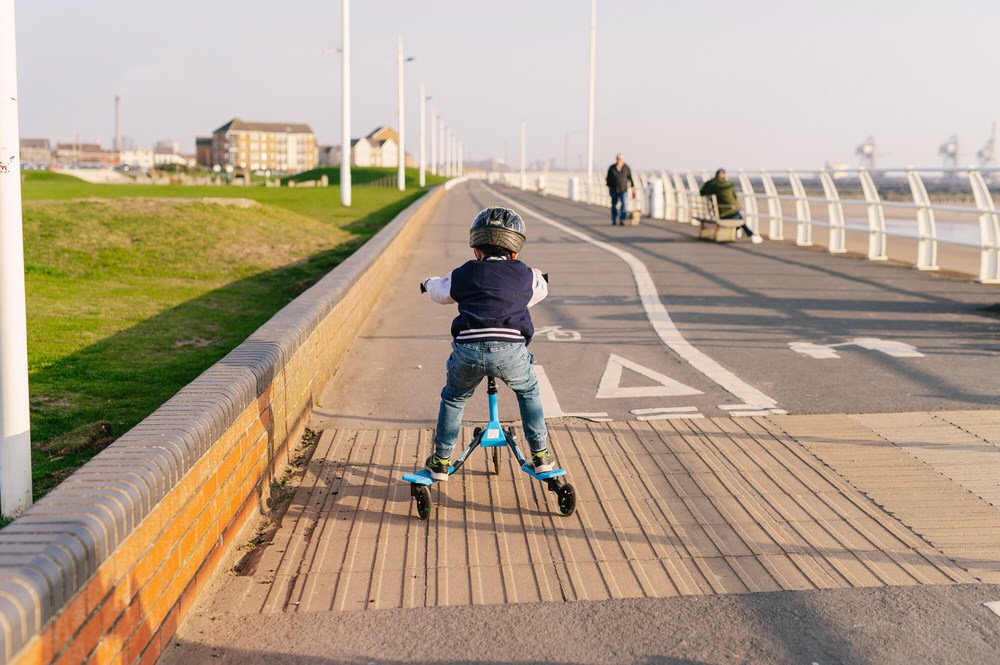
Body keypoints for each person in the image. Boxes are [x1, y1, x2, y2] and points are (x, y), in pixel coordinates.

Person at [421, 207, 554, 481]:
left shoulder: (463, 274)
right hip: (510, 352)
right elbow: (539, 290)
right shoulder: (524, 275)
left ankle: (442, 459)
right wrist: (536, 275)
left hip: (468, 351)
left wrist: (427, 282)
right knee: (528, 391)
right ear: (515, 252)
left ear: (476, 250)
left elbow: (440, 292)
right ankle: (540, 454)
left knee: (454, 398)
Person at [699, 168, 763, 244]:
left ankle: (748, 234)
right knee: (739, 219)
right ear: (723, 175)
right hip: (726, 212)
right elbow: (734, 197)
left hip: (719, 211)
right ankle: (750, 234)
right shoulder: (728, 184)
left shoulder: (710, 184)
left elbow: (702, 192)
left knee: (738, 218)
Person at [605, 153, 634, 225]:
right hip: (614, 189)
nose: (619, 160)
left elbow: (630, 177)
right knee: (614, 205)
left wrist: (633, 187)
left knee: (624, 204)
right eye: (618, 158)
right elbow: (608, 178)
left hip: (623, 189)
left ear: (623, 159)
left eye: (620, 159)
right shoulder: (612, 168)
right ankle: (614, 219)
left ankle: (622, 220)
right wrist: (609, 186)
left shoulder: (626, 168)